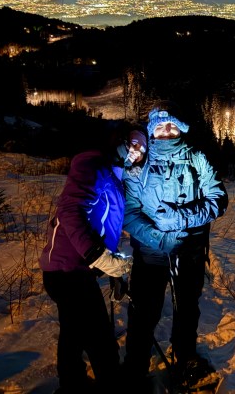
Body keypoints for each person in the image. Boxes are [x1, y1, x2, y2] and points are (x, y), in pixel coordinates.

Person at [122, 100, 228, 389]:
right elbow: (129, 213)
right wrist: (158, 237)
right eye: (159, 126)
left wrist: (181, 218)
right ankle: (135, 367)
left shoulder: (197, 159)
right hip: (150, 254)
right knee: (144, 310)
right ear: (151, 131)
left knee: (186, 309)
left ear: (180, 127)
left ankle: (185, 358)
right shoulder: (137, 167)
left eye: (171, 125)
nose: (166, 131)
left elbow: (218, 200)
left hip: (189, 252)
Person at [39, 127, 148, 393]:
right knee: (100, 340)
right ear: (120, 140)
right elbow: (70, 211)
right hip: (68, 270)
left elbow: (106, 228)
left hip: (73, 271)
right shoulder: (92, 164)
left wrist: (114, 273)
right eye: (134, 144)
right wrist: (97, 257)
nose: (137, 151)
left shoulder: (114, 174)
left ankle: (72, 384)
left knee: (73, 334)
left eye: (142, 150)